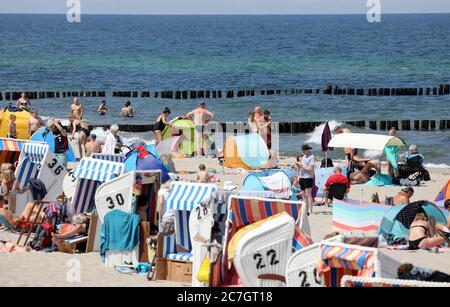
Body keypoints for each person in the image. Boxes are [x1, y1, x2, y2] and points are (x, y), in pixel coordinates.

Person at [295, 144, 315, 215]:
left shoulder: (311, 157)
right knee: (303, 195)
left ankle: (310, 210)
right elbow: (301, 168)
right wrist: (298, 166)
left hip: (308, 177)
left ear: (308, 150)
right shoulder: (304, 156)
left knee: (308, 194)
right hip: (302, 177)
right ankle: (305, 209)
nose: (303, 151)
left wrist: (302, 166)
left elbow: (310, 169)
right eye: (302, 150)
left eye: (304, 150)